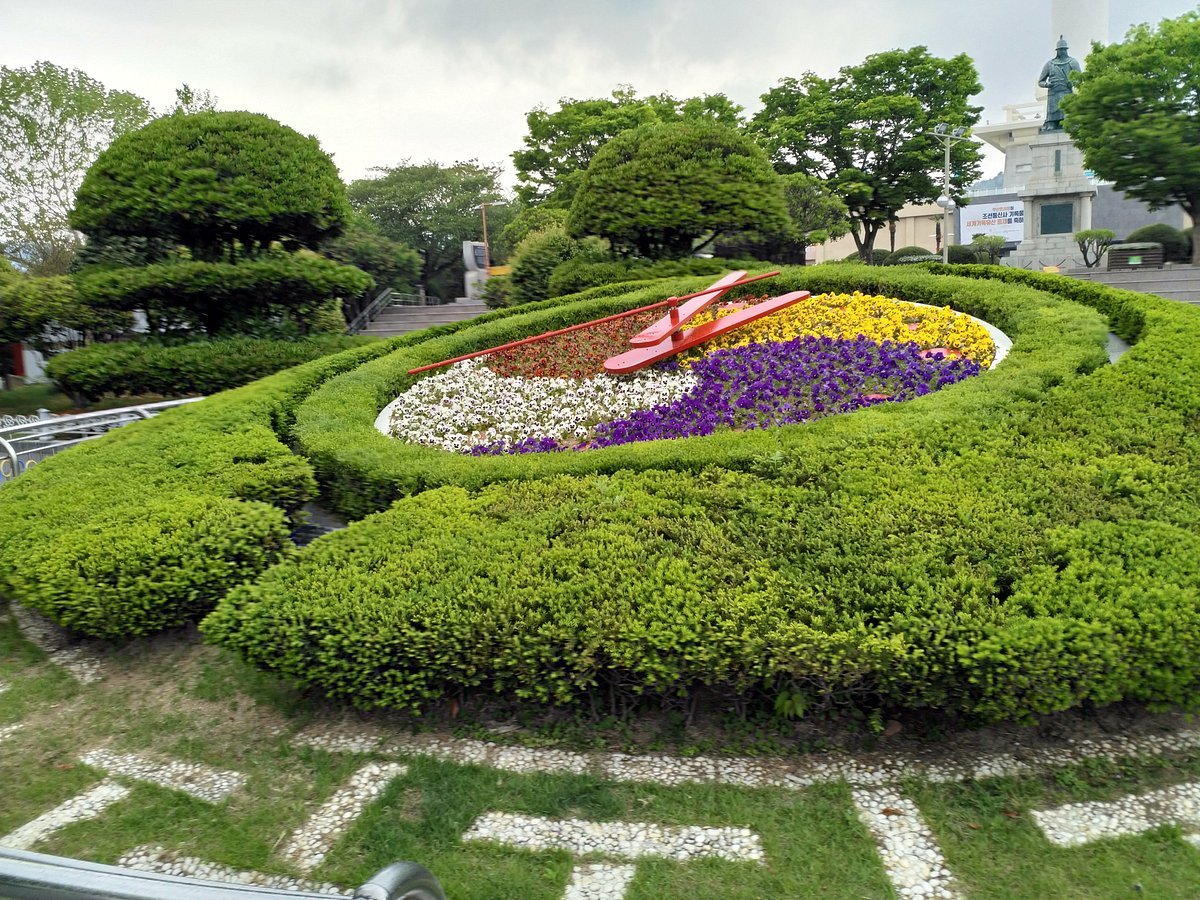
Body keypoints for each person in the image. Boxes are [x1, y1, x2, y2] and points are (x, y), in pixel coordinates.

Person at [1038, 36, 1082, 132]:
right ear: (1057, 50)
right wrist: (1047, 84)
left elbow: (1079, 78)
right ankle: (1052, 123)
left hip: (1066, 92)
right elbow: (1040, 82)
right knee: (1051, 126)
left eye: (1064, 49)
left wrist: (1073, 82)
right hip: (1053, 94)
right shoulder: (1050, 64)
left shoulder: (1073, 62)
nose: (1062, 51)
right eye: (1060, 50)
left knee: (1067, 117)